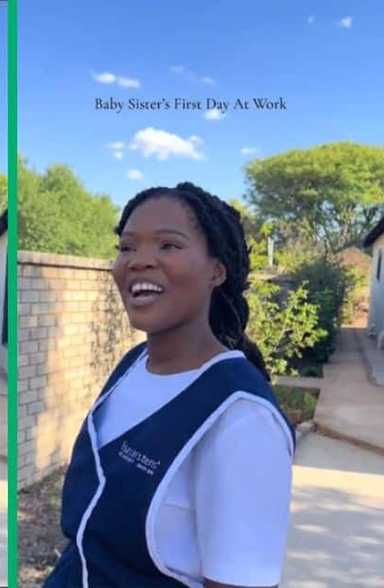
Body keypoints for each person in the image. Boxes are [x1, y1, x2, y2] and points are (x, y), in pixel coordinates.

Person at [45, 183, 295, 588]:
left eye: (168, 245)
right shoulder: (132, 366)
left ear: (217, 270)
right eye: (127, 248)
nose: (139, 261)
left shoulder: (241, 418)